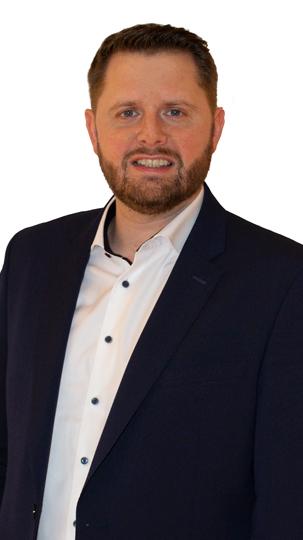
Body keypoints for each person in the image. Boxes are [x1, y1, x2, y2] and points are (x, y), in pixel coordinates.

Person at [0, 22, 303, 540]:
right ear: (94, 129)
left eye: (175, 112)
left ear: (217, 126)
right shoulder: (31, 257)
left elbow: (288, 498)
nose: (151, 136)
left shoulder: (283, 280)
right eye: (128, 113)